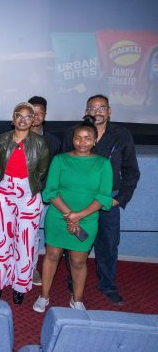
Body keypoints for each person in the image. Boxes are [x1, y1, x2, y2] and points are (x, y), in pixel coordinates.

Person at [61, 94, 140, 305]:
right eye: (92, 108)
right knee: (77, 241)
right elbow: (61, 163)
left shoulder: (121, 135)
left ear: (109, 111)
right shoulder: (72, 133)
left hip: (107, 202)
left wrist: (120, 199)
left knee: (108, 244)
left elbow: (131, 171)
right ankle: (73, 279)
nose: (96, 112)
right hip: (78, 201)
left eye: (101, 108)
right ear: (85, 111)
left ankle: (107, 285)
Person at [33, 117, 113, 313]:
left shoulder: (103, 164)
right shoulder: (60, 160)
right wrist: (70, 215)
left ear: (95, 140)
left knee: (78, 261)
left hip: (87, 219)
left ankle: (76, 299)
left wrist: (79, 216)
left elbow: (103, 197)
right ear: (72, 139)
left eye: (87, 138)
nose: (82, 142)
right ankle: (44, 296)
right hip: (58, 217)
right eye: (78, 137)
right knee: (52, 256)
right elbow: (50, 191)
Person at [0, 102, 50, 304]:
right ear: (13, 118)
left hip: (29, 193)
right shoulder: (1, 140)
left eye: (28, 116)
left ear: (33, 120)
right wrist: (10, 184)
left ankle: (20, 286)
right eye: (19, 115)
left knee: (26, 242)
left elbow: (41, 171)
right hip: (5, 190)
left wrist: (25, 186)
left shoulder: (40, 143)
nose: (23, 119)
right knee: (1, 239)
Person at [28, 95, 61, 286]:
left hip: (40, 196)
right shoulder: (14, 136)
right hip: (14, 194)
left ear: (45, 115)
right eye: (33, 112)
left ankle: (30, 268)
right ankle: (12, 265)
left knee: (32, 234)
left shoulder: (54, 141)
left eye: (40, 113)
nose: (36, 116)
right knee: (13, 232)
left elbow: (58, 170)